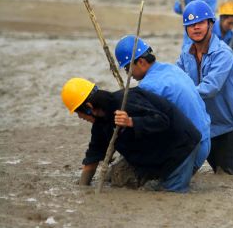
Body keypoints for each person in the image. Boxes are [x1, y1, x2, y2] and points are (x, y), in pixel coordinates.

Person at [60, 78, 201, 193]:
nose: (79, 117)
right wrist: (83, 188)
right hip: (153, 152)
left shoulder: (126, 101)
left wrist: (131, 121)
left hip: (181, 148)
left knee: (169, 194)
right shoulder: (100, 123)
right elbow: (94, 154)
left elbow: (162, 121)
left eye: (79, 113)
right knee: (117, 180)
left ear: (89, 107)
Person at [114, 35, 211, 172]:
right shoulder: (171, 69)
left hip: (192, 148)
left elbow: (151, 126)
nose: (128, 75)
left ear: (141, 62)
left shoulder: (149, 86)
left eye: (127, 69)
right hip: (206, 140)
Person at [176, 0, 233, 175]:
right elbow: (176, 78)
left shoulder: (223, 53)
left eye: (200, 23)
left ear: (210, 24)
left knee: (227, 176)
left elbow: (210, 88)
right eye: (190, 25)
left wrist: (180, 96)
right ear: (186, 29)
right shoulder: (186, 52)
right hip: (204, 123)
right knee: (195, 172)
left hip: (229, 125)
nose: (196, 28)